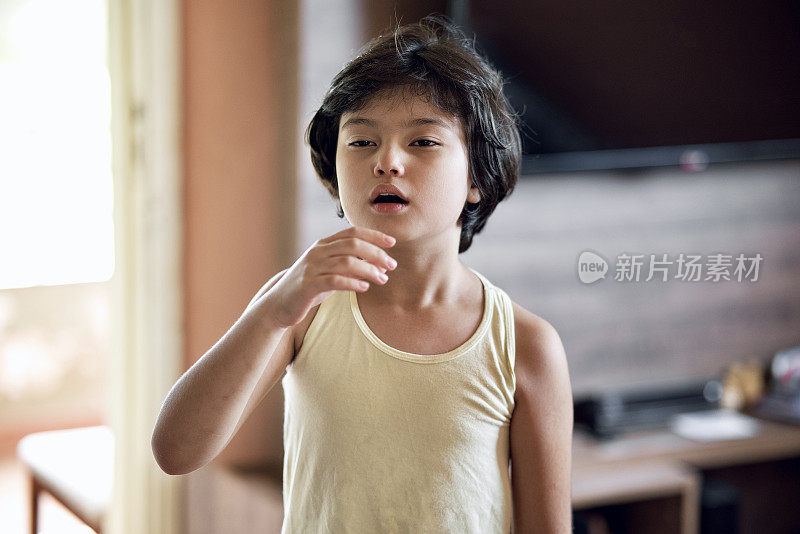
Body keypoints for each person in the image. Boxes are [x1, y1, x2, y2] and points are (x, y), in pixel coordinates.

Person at [152, 13, 573, 534]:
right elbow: (175, 452)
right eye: (361, 141)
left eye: (423, 142)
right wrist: (271, 313)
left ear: (477, 178)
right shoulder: (301, 307)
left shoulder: (525, 345)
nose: (387, 162)